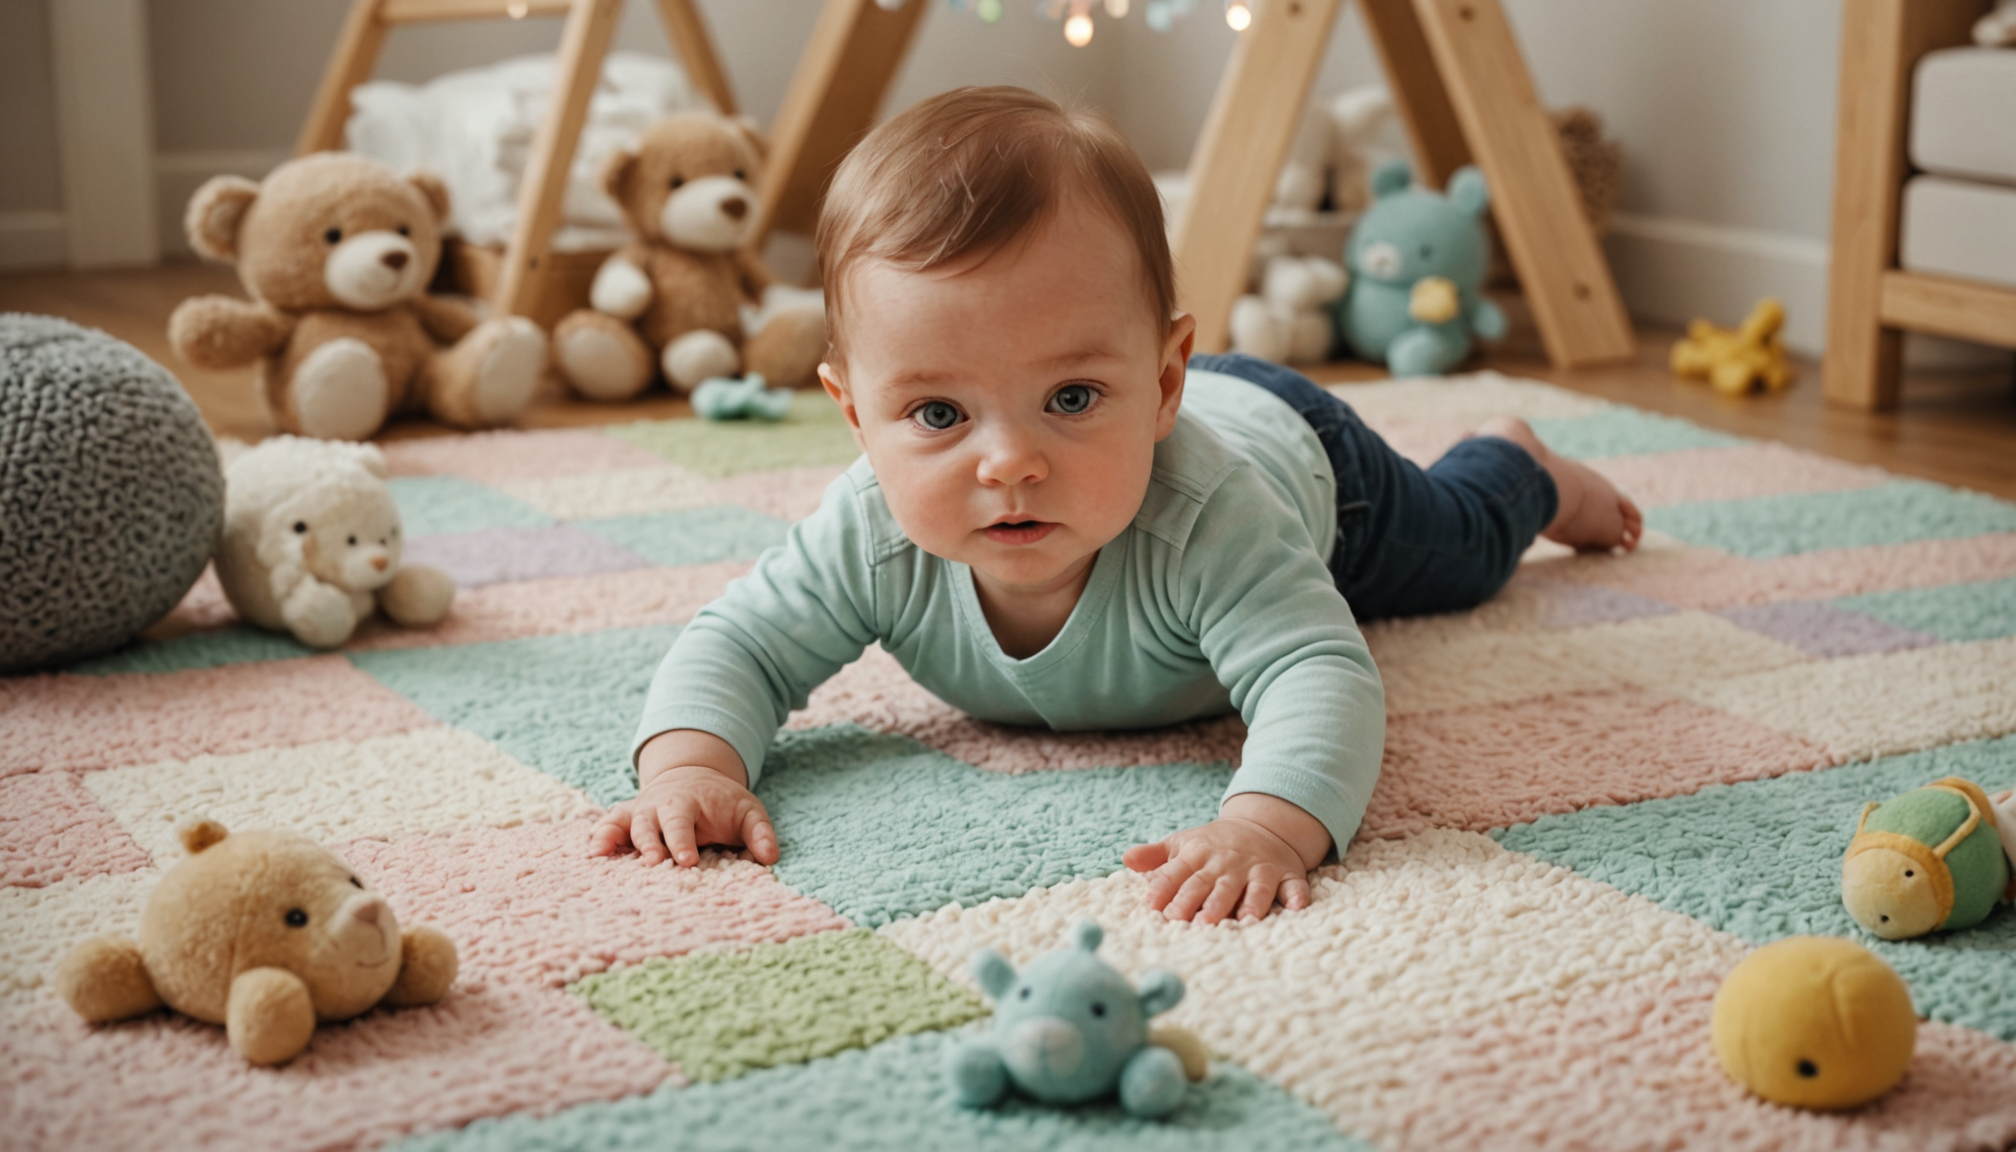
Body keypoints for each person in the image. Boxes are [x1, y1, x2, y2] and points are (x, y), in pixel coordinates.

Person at [589, 86, 1641, 924]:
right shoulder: (867, 532)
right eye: (939, 413)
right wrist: (692, 767)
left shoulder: (1211, 517)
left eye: (1072, 398)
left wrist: (1269, 829)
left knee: (1460, 555)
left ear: (1162, 381)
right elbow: (741, 644)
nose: (1010, 463)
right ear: (855, 414)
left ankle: (1519, 464)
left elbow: (1320, 674)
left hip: (1311, 465)